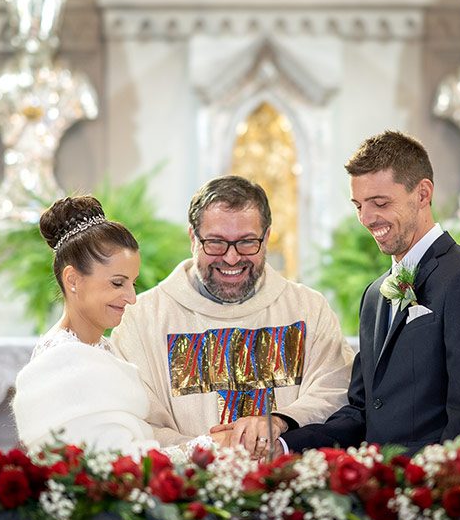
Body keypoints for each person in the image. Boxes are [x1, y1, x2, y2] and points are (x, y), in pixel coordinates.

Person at [280, 131, 460, 455]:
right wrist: (283, 443)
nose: (366, 218)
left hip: (443, 482)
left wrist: (430, 483)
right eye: (359, 205)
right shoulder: (374, 296)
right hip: (383, 482)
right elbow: (361, 413)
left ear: (423, 194)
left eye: (380, 203)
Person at [111, 176, 353, 449]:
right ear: (193, 238)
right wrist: (206, 448)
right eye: (216, 242)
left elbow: (335, 390)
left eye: (247, 242)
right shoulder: (142, 319)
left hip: (288, 472)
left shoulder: (308, 309)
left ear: (267, 238)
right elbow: (132, 421)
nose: (231, 258)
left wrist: (280, 421)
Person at [12, 196, 157, 453]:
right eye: (117, 283)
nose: (132, 298)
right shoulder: (61, 359)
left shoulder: (103, 347)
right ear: (73, 280)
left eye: (132, 283)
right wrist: (202, 447)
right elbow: (108, 461)